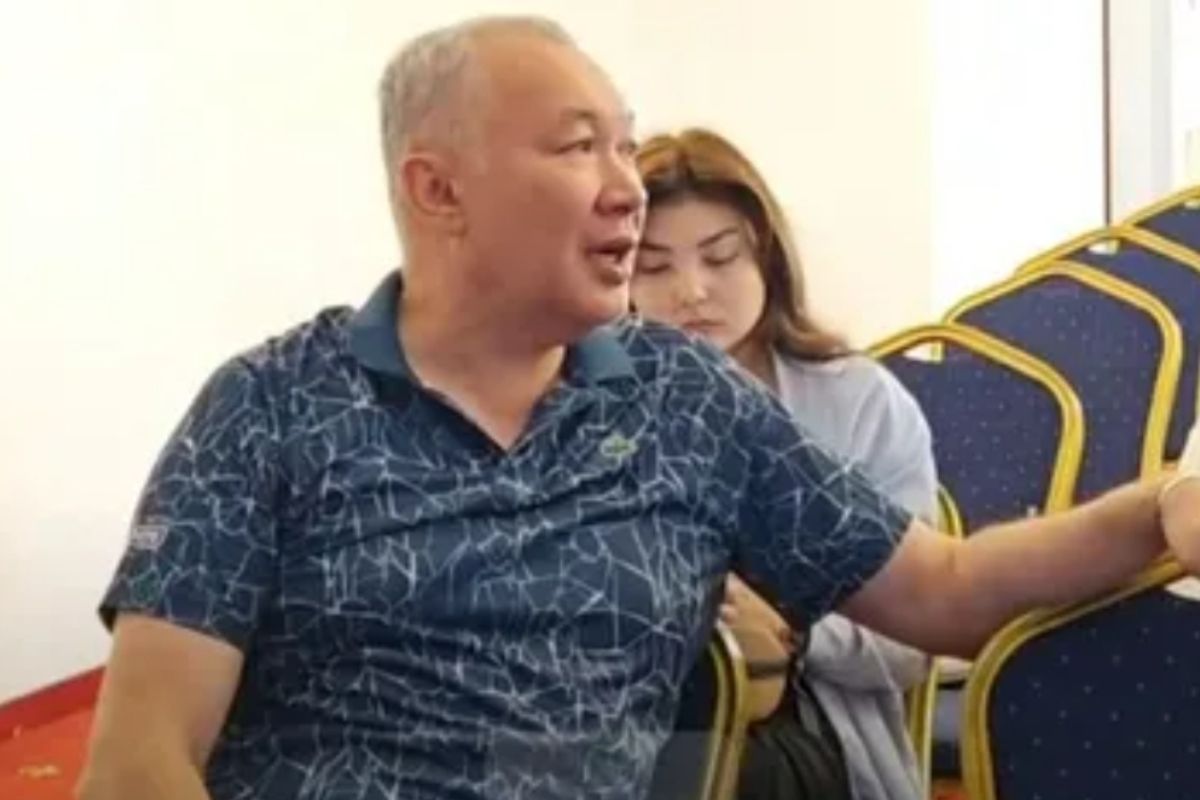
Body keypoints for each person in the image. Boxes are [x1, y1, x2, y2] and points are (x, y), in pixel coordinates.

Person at [76, 14, 1200, 800]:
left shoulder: (685, 403)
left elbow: (946, 590)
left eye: (625, 143)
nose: (625, 186)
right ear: (437, 188)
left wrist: (1159, 504)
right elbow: (137, 762)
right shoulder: (270, 406)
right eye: (579, 147)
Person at [631, 127, 934, 800]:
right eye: (654, 268)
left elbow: (915, 641)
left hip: (799, 727)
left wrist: (791, 631)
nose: (692, 291)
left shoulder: (858, 402)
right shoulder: (586, 402)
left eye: (720, 258)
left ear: (766, 257)